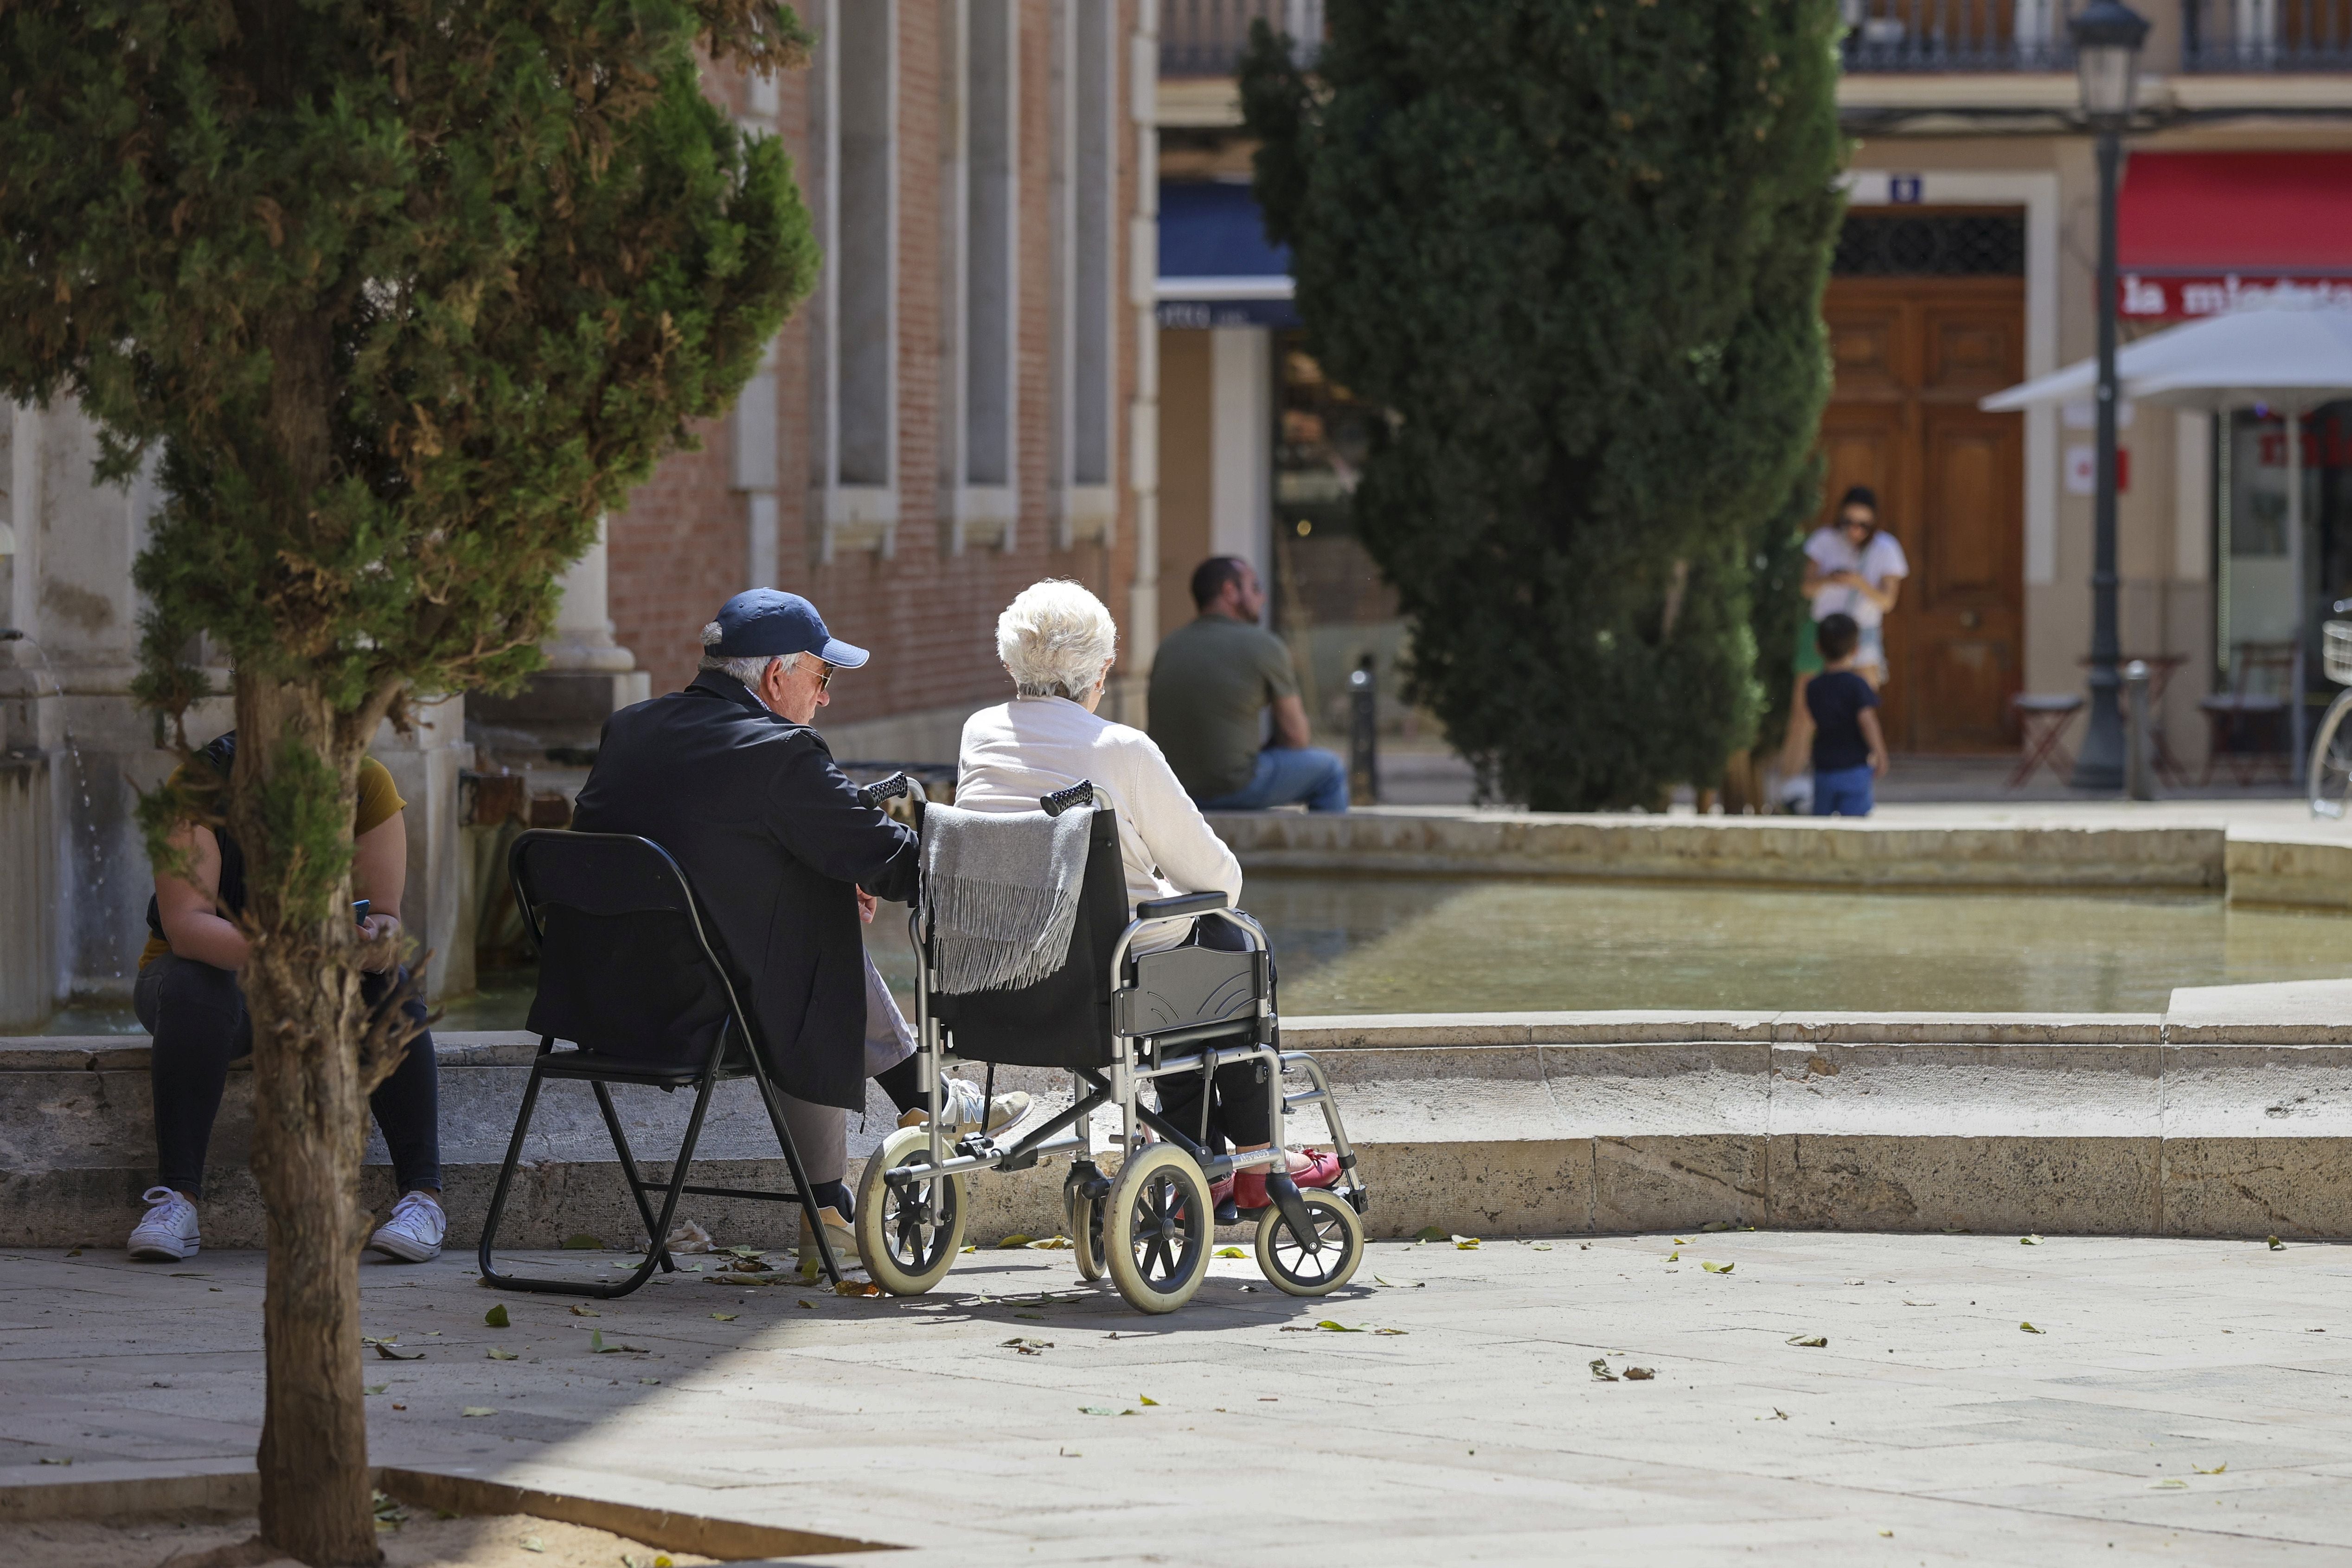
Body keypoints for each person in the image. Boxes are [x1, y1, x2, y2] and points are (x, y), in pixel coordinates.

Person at [569, 589, 1017, 1269]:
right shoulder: (776, 751)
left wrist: (826, 877)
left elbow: (704, 855)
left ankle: (854, 1179)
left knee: (807, 903)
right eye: (823, 677)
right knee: (815, 929)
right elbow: (897, 862)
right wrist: (1014, 867)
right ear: (777, 677)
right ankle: (851, 1178)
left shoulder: (629, 728)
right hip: (705, 1017)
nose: (827, 698)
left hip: (593, 1005)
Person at [958, 579, 1342, 1212]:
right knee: (1229, 940)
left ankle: (1198, 1154)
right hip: (1107, 981)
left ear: (1010, 662)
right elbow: (1218, 880)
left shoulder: (979, 732)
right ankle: (1252, 1158)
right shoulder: (1118, 746)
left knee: (1194, 952)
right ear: (1103, 668)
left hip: (997, 980)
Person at [127, 733, 443, 1264]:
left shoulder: (367, 782)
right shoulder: (201, 780)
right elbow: (186, 928)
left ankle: (424, 1200)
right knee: (194, 983)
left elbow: (387, 924)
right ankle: (176, 1201)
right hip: (211, 983)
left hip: (318, 982)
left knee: (392, 986)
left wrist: (365, 945)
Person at [1147, 556, 1347, 813]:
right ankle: (1328, 855)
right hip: (1234, 786)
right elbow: (1297, 737)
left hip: (1173, 789)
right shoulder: (1263, 645)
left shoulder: (1169, 646)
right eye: (1255, 587)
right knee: (1330, 770)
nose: (1262, 597)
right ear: (1230, 591)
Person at [1777, 487, 1908, 807]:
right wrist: (1829, 580)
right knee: (1803, 714)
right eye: (1848, 521)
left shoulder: (1886, 549)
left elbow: (1888, 601)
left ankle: (1859, 789)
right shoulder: (1823, 541)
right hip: (1821, 633)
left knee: (1861, 711)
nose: (1854, 530)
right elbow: (1806, 587)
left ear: (1874, 524)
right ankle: (1788, 789)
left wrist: (1859, 583)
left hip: (1861, 636)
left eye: (1863, 525)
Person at [1805, 614, 1889, 818]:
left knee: (1822, 827)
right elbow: (1868, 721)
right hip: (1855, 768)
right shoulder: (1857, 685)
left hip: (1824, 767)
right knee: (1855, 827)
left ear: (1818, 648)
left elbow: (1813, 725)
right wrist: (1880, 753)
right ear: (1856, 649)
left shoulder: (1813, 687)